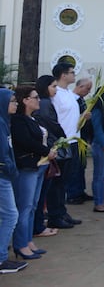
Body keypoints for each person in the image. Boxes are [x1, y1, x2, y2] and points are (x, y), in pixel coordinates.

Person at [10, 86, 54, 260]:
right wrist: (46, 151)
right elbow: (26, 141)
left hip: (37, 165)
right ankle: (21, 244)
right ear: (25, 101)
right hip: (26, 166)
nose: (38, 100)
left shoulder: (31, 118)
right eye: (35, 97)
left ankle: (27, 241)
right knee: (25, 206)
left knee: (32, 205)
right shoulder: (19, 120)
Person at [35, 75, 79, 230]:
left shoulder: (49, 101)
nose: (55, 90)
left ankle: (61, 212)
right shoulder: (45, 103)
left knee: (61, 183)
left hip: (61, 142)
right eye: (53, 86)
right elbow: (52, 123)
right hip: (55, 144)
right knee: (56, 184)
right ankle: (55, 215)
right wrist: (62, 136)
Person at [51, 63, 89, 205]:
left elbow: (71, 117)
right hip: (63, 141)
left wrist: (83, 117)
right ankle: (57, 211)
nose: (74, 75)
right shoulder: (56, 94)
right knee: (59, 180)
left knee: (69, 176)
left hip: (74, 140)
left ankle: (62, 211)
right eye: (72, 72)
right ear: (63, 75)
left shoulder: (69, 94)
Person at [0, 88, 27, 274]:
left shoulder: (5, 122)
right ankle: (1, 258)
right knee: (11, 215)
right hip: (3, 176)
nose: (16, 104)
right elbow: (3, 154)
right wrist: (11, 170)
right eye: (12, 101)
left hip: (6, 174)